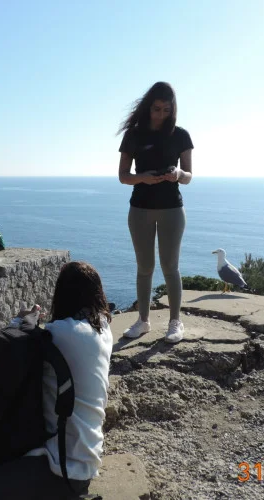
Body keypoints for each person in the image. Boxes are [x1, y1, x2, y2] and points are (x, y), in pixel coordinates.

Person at [0, 261, 113, 499]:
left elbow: (14, 343)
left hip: (60, 467)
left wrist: (20, 321)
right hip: (84, 458)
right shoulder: (103, 329)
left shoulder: (63, 334)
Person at [117, 82, 194, 344]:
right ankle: (143, 321)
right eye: (156, 109)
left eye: (166, 110)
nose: (161, 114)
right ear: (148, 107)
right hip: (140, 209)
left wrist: (177, 174)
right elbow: (123, 176)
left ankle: (175, 322)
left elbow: (189, 176)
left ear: (173, 109)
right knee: (145, 267)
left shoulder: (180, 135)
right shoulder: (134, 135)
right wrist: (143, 178)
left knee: (170, 267)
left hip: (172, 208)